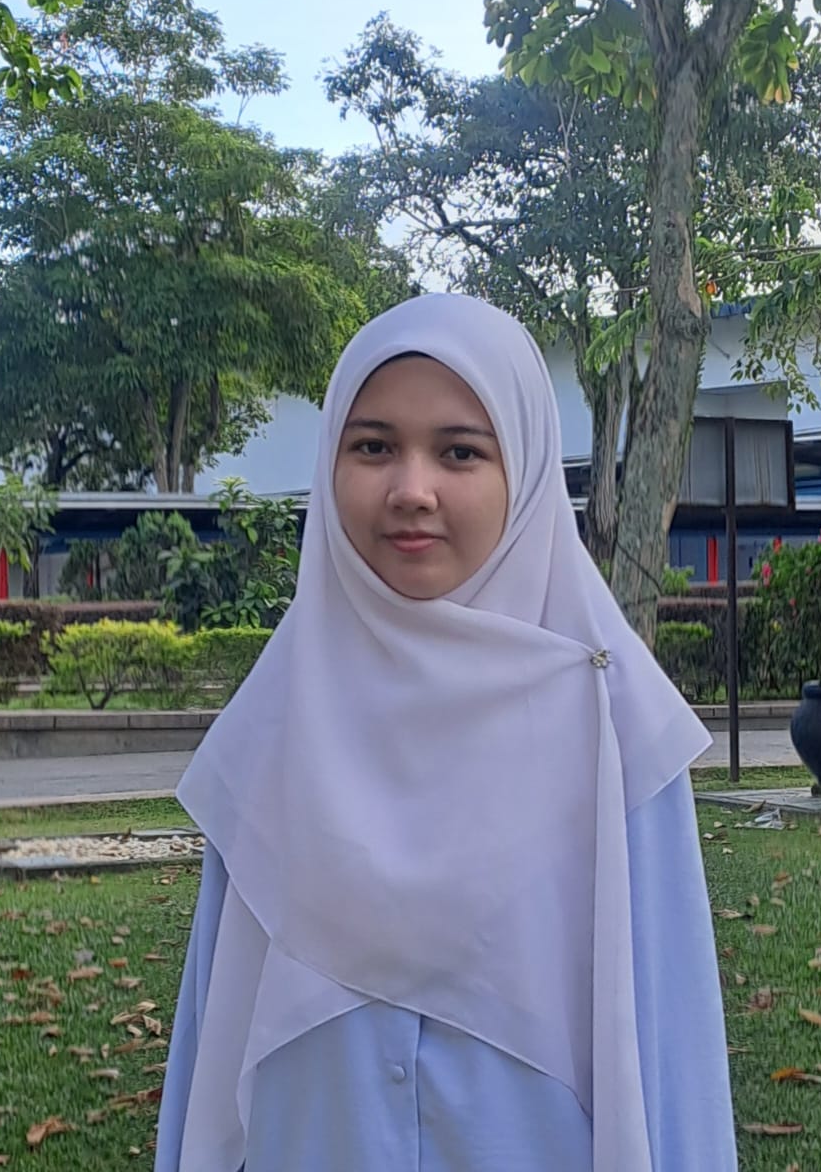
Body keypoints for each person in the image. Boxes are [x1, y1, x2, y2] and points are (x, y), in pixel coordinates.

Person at [154, 293, 737, 1172]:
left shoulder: (610, 722)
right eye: (373, 447)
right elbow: (213, 1026)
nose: (411, 491)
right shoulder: (281, 715)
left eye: (460, 451)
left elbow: (671, 1050)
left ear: (525, 470)